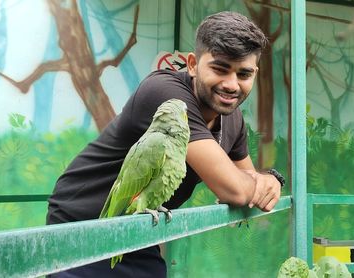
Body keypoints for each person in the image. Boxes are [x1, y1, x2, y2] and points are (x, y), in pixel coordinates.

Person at [46, 11, 283, 277]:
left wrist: (270, 179)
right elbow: (237, 190)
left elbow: (247, 183)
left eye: (243, 74)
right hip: (84, 224)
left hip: (141, 227)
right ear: (192, 64)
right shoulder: (166, 96)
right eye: (219, 69)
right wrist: (251, 183)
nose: (231, 84)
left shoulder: (234, 121)